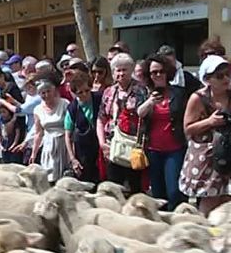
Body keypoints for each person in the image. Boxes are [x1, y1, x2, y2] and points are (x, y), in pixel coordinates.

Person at [179, 55, 231, 214]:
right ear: (207, 79)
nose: (226, 78)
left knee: (226, 201)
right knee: (210, 202)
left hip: (227, 154)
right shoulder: (198, 98)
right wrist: (210, 122)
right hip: (207, 157)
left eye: (228, 73)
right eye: (220, 76)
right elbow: (187, 128)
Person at [137, 54, 188, 211]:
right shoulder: (144, 93)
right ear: (148, 75)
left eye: (161, 71)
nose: (158, 75)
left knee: (174, 192)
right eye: (154, 72)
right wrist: (151, 101)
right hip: (153, 151)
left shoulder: (179, 93)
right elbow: (139, 112)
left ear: (167, 73)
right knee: (158, 195)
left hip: (175, 149)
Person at [97, 53, 147, 194]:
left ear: (131, 71)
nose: (121, 73)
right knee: (113, 188)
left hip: (132, 147)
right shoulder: (108, 92)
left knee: (135, 188)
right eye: (118, 70)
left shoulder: (141, 91)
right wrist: (102, 144)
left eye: (125, 69)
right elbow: (101, 119)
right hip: (112, 147)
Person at [64, 72, 101, 184]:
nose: (85, 94)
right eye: (80, 92)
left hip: (101, 149)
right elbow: (67, 136)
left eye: (87, 90)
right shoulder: (72, 108)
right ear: (74, 93)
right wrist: (73, 159)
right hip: (83, 153)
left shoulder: (100, 98)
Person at [31, 79, 69, 183]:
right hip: (48, 144)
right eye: (43, 93)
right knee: (49, 175)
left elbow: (70, 127)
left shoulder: (64, 103)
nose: (46, 95)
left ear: (54, 91)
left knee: (63, 176)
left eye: (48, 91)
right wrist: (33, 153)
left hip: (63, 143)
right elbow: (38, 133)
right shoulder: (37, 109)